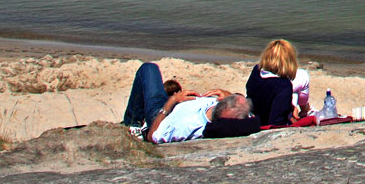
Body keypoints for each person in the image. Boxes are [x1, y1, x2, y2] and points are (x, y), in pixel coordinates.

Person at [122, 62, 259, 143]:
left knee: (148, 69)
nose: (234, 97)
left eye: (231, 99)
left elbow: (153, 136)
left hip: (162, 114)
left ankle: (132, 123)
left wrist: (171, 102)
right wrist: (228, 94)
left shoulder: (188, 125)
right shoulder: (236, 113)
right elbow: (243, 103)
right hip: (179, 102)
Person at [246, 39, 308, 128]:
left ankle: (303, 109)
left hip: (255, 115)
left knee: (294, 94)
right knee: (299, 86)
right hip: (265, 122)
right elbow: (277, 122)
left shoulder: (256, 71)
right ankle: (305, 111)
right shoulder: (283, 85)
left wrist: (290, 107)